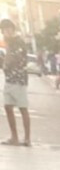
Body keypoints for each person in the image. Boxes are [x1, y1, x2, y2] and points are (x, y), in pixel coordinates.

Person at [1, 18, 31, 147]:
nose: (5, 32)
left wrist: (4, 61)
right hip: (9, 79)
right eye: (3, 30)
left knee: (23, 108)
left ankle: (27, 138)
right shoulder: (8, 43)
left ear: (12, 29)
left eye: (7, 29)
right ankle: (14, 137)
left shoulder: (18, 42)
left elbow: (14, 59)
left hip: (18, 80)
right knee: (8, 107)